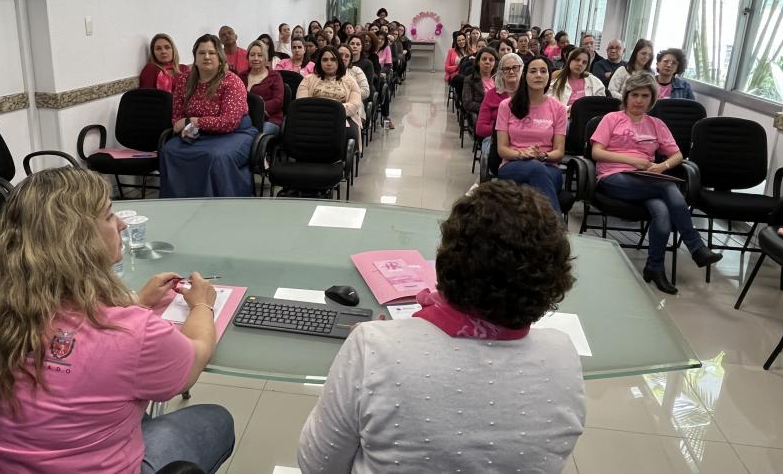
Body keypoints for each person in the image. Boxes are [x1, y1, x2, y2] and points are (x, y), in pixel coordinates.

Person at [0, 167, 235, 474]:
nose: (122, 224)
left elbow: (72, 335)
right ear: (81, 238)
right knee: (216, 419)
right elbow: (195, 356)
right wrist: (203, 305)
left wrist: (137, 302)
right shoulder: (132, 331)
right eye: (110, 215)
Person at [298, 181, 585, 474]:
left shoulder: (371, 346)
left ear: (446, 261)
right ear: (553, 278)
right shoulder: (563, 354)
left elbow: (318, 465)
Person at [590, 72, 722, 294]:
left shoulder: (656, 124)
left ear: (652, 99)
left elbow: (677, 155)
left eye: (644, 96)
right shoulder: (611, 119)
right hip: (614, 177)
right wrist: (633, 160)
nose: (639, 100)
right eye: (634, 95)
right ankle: (695, 245)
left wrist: (662, 167)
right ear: (626, 96)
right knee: (668, 187)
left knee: (662, 210)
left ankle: (655, 268)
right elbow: (596, 152)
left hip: (647, 180)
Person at [160, 34, 258, 198]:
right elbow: (177, 118)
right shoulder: (184, 81)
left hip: (235, 134)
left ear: (220, 57)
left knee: (215, 157)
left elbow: (228, 122)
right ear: (195, 57)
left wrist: (193, 121)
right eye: (201, 53)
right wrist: (186, 126)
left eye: (211, 53)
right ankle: (178, 208)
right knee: (169, 150)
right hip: (197, 133)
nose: (206, 57)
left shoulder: (232, 81)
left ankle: (218, 210)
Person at [495, 56, 567, 214]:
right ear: (525, 75)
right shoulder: (507, 106)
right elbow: (502, 149)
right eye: (533, 71)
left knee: (537, 176)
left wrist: (542, 156)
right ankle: (556, 231)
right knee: (536, 169)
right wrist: (522, 154)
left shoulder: (559, 109)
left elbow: (559, 152)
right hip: (512, 165)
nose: (539, 75)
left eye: (543, 71)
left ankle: (531, 233)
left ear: (549, 76)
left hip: (548, 166)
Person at [296, 46, 363, 148]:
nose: (329, 63)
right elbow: (302, 103)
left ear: (338, 62)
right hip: (313, 117)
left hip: (342, 117)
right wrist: (322, 112)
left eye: (333, 59)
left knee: (349, 135)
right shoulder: (308, 80)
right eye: (325, 60)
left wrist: (333, 112)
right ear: (319, 62)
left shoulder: (350, 81)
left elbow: (354, 104)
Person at [477, 52, 523, 163]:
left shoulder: (529, 94)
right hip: (494, 139)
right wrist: (504, 132)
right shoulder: (492, 94)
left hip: (523, 139)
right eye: (506, 69)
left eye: (515, 68)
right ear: (501, 73)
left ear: (522, 70)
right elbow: (480, 128)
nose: (511, 71)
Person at [240, 41, 284, 135]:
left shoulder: (275, 76)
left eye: (260, 55)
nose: (255, 58)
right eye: (252, 55)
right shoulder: (241, 76)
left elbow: (278, 101)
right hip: (245, 117)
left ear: (265, 58)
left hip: (270, 119)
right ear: (248, 57)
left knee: (255, 135)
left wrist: (259, 107)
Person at [462, 46, 498, 114]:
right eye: (484, 59)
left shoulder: (499, 79)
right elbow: (467, 104)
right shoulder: (470, 80)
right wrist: (487, 108)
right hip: (481, 114)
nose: (487, 62)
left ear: (495, 63)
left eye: (491, 60)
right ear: (478, 62)